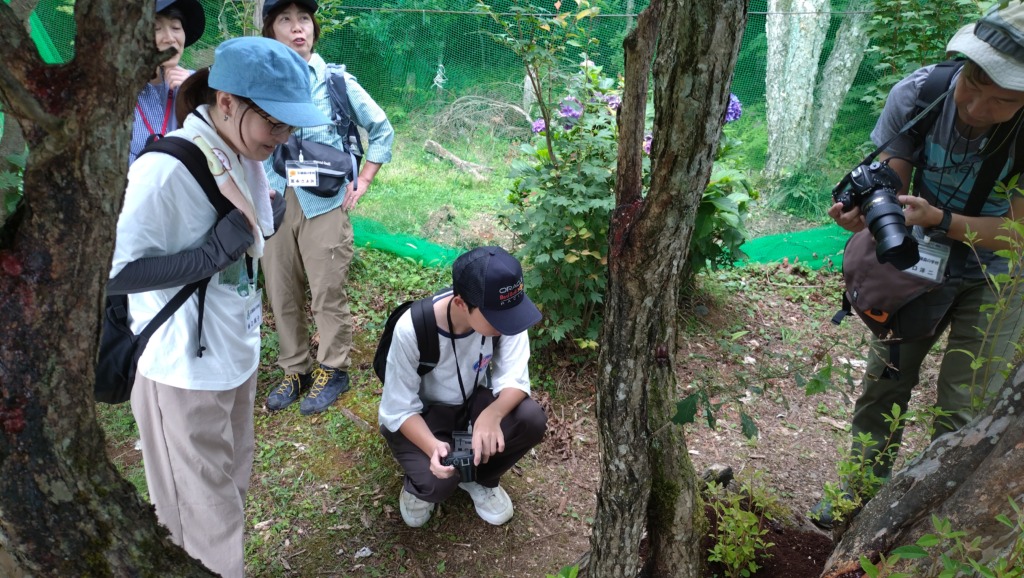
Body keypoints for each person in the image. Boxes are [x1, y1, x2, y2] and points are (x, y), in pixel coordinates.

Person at [108, 37, 330, 577]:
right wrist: (209, 254)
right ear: (227, 102)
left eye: (289, 127)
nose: (280, 140)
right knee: (201, 512)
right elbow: (111, 273)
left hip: (233, 351)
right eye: (273, 124)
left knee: (228, 483)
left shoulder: (239, 154)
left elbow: (250, 232)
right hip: (180, 367)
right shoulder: (165, 170)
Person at [814, 1, 1024, 528]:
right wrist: (869, 211)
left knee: (963, 407)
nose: (977, 107)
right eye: (973, 84)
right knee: (886, 381)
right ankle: (858, 497)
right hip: (916, 259)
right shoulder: (922, 93)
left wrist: (944, 219)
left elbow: (1021, 234)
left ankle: (929, 520)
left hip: (995, 271)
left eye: (1002, 101)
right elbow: (893, 178)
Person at [260, 0, 395, 416]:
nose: (297, 28)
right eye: (285, 19)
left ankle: (333, 368)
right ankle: (295, 368)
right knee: (281, 291)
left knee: (326, 293)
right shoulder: (261, 82)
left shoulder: (335, 80)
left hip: (326, 201)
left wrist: (365, 178)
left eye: (304, 19)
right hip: (275, 200)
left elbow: (381, 127)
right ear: (271, 30)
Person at [378, 246, 548, 528]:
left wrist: (492, 415)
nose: (507, 326)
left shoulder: (507, 313)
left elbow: (515, 379)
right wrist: (432, 447)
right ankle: (419, 488)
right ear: (460, 304)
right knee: (437, 483)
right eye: (496, 320)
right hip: (424, 417)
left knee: (530, 419)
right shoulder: (413, 329)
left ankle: (480, 479)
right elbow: (398, 408)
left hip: (472, 405)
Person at [129, 0, 206, 165]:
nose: (170, 38)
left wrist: (194, 94)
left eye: (176, 27)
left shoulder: (198, 85)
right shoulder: (112, 93)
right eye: (156, 28)